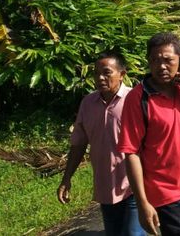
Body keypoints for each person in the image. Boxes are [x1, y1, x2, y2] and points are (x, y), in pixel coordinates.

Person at [118, 33, 180, 236]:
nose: (161, 66)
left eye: (168, 60)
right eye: (154, 60)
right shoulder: (137, 99)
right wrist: (142, 203)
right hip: (166, 195)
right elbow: (131, 153)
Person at [58, 52, 145, 236]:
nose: (100, 78)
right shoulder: (88, 103)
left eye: (106, 72)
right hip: (105, 188)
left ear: (122, 74)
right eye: (96, 73)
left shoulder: (135, 99)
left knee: (133, 234)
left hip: (134, 186)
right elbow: (79, 144)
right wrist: (66, 179)